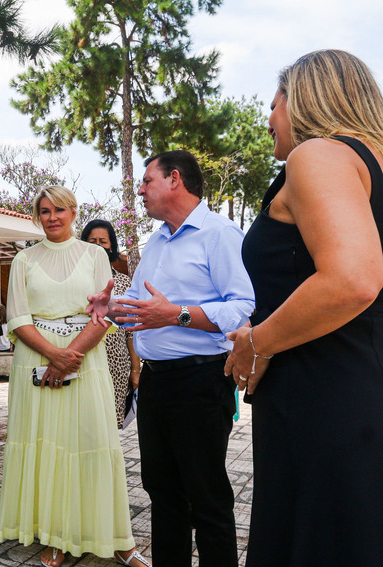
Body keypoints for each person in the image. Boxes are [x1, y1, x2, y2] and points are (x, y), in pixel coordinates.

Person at [224, 49, 383, 566]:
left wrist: (257, 343)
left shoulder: (318, 155)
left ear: (306, 101)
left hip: (326, 402)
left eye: (274, 105)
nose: (267, 120)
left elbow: (353, 279)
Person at [88, 151, 254, 567]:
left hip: (200, 382)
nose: (139, 190)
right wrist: (113, 308)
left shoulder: (220, 234)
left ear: (174, 179)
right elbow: (148, 308)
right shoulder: (157, 239)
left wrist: (177, 314)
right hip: (156, 384)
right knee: (162, 494)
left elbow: (242, 308)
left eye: (147, 181)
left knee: (207, 499)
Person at [0, 186, 150, 567]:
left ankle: (117, 538)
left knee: (94, 443)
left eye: (59, 209)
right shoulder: (24, 259)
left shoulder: (96, 255)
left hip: (86, 359)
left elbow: (108, 313)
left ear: (73, 211)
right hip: (36, 360)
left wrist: (70, 356)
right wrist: (52, 355)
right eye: (44, 211)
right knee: (47, 445)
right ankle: (54, 536)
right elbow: (16, 316)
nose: (52, 217)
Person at [81, 219, 141, 428]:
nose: (98, 245)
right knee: (83, 422)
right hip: (82, 359)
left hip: (116, 365)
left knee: (110, 425)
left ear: (112, 246)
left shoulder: (124, 282)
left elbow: (131, 331)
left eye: (103, 241)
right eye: (92, 241)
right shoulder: (76, 281)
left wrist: (135, 370)